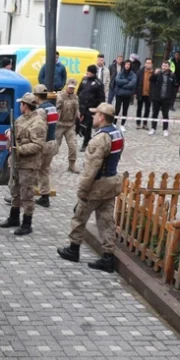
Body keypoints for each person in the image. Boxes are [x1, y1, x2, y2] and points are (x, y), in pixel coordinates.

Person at [57, 102, 123, 273]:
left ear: (101, 117)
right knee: (106, 220)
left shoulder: (100, 138)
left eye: (95, 115)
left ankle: (73, 249)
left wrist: (82, 190)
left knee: (79, 216)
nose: (93, 117)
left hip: (97, 185)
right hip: (112, 182)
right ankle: (108, 257)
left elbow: (91, 168)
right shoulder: (117, 133)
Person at [0, 94, 45, 236]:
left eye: (21, 104)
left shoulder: (38, 122)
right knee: (14, 189)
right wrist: (9, 136)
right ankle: (14, 217)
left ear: (25, 105)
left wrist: (20, 149)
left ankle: (27, 223)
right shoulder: (20, 119)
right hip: (16, 162)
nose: (20, 106)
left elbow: (38, 145)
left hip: (28, 164)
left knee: (27, 193)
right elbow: (14, 134)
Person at [33, 84, 58, 208]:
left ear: (37, 96)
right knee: (44, 170)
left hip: (43, 144)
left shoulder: (40, 110)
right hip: (52, 142)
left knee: (32, 168)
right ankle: (45, 197)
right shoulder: (52, 108)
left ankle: (24, 195)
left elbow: (40, 129)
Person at [55, 78, 80, 174]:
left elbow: (77, 108)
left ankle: (72, 165)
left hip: (70, 125)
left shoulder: (75, 97)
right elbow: (56, 108)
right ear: (66, 86)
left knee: (73, 145)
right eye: (70, 88)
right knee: (55, 147)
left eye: (73, 88)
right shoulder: (60, 96)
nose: (71, 90)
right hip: (60, 125)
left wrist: (78, 114)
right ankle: (46, 163)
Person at [77, 64, 104, 152]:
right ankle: (88, 138)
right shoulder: (84, 79)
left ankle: (86, 143)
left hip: (91, 108)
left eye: (88, 71)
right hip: (81, 107)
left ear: (93, 72)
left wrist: (98, 110)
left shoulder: (98, 83)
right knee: (79, 126)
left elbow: (101, 98)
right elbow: (79, 91)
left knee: (87, 126)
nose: (87, 72)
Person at [148, 61, 177, 136]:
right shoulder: (158, 73)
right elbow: (151, 80)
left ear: (169, 67)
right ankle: (153, 128)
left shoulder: (172, 75)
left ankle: (165, 129)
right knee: (155, 114)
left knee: (165, 114)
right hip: (157, 98)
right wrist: (154, 73)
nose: (164, 67)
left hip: (166, 98)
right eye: (163, 66)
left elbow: (174, 88)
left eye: (166, 66)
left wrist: (172, 99)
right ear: (161, 66)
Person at [113, 60, 137, 132]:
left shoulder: (133, 74)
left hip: (127, 95)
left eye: (129, 64)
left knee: (125, 110)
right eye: (126, 64)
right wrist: (126, 81)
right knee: (117, 109)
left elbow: (132, 84)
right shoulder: (120, 72)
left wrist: (122, 85)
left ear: (130, 66)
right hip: (119, 94)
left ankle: (122, 125)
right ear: (124, 65)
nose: (127, 66)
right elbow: (117, 80)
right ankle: (114, 123)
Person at [135, 58, 154, 129]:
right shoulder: (139, 72)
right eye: (147, 63)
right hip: (141, 93)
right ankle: (138, 123)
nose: (148, 64)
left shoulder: (153, 72)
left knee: (147, 109)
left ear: (152, 64)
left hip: (149, 94)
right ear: (145, 63)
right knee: (139, 109)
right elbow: (136, 82)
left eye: (149, 63)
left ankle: (145, 123)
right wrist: (135, 92)